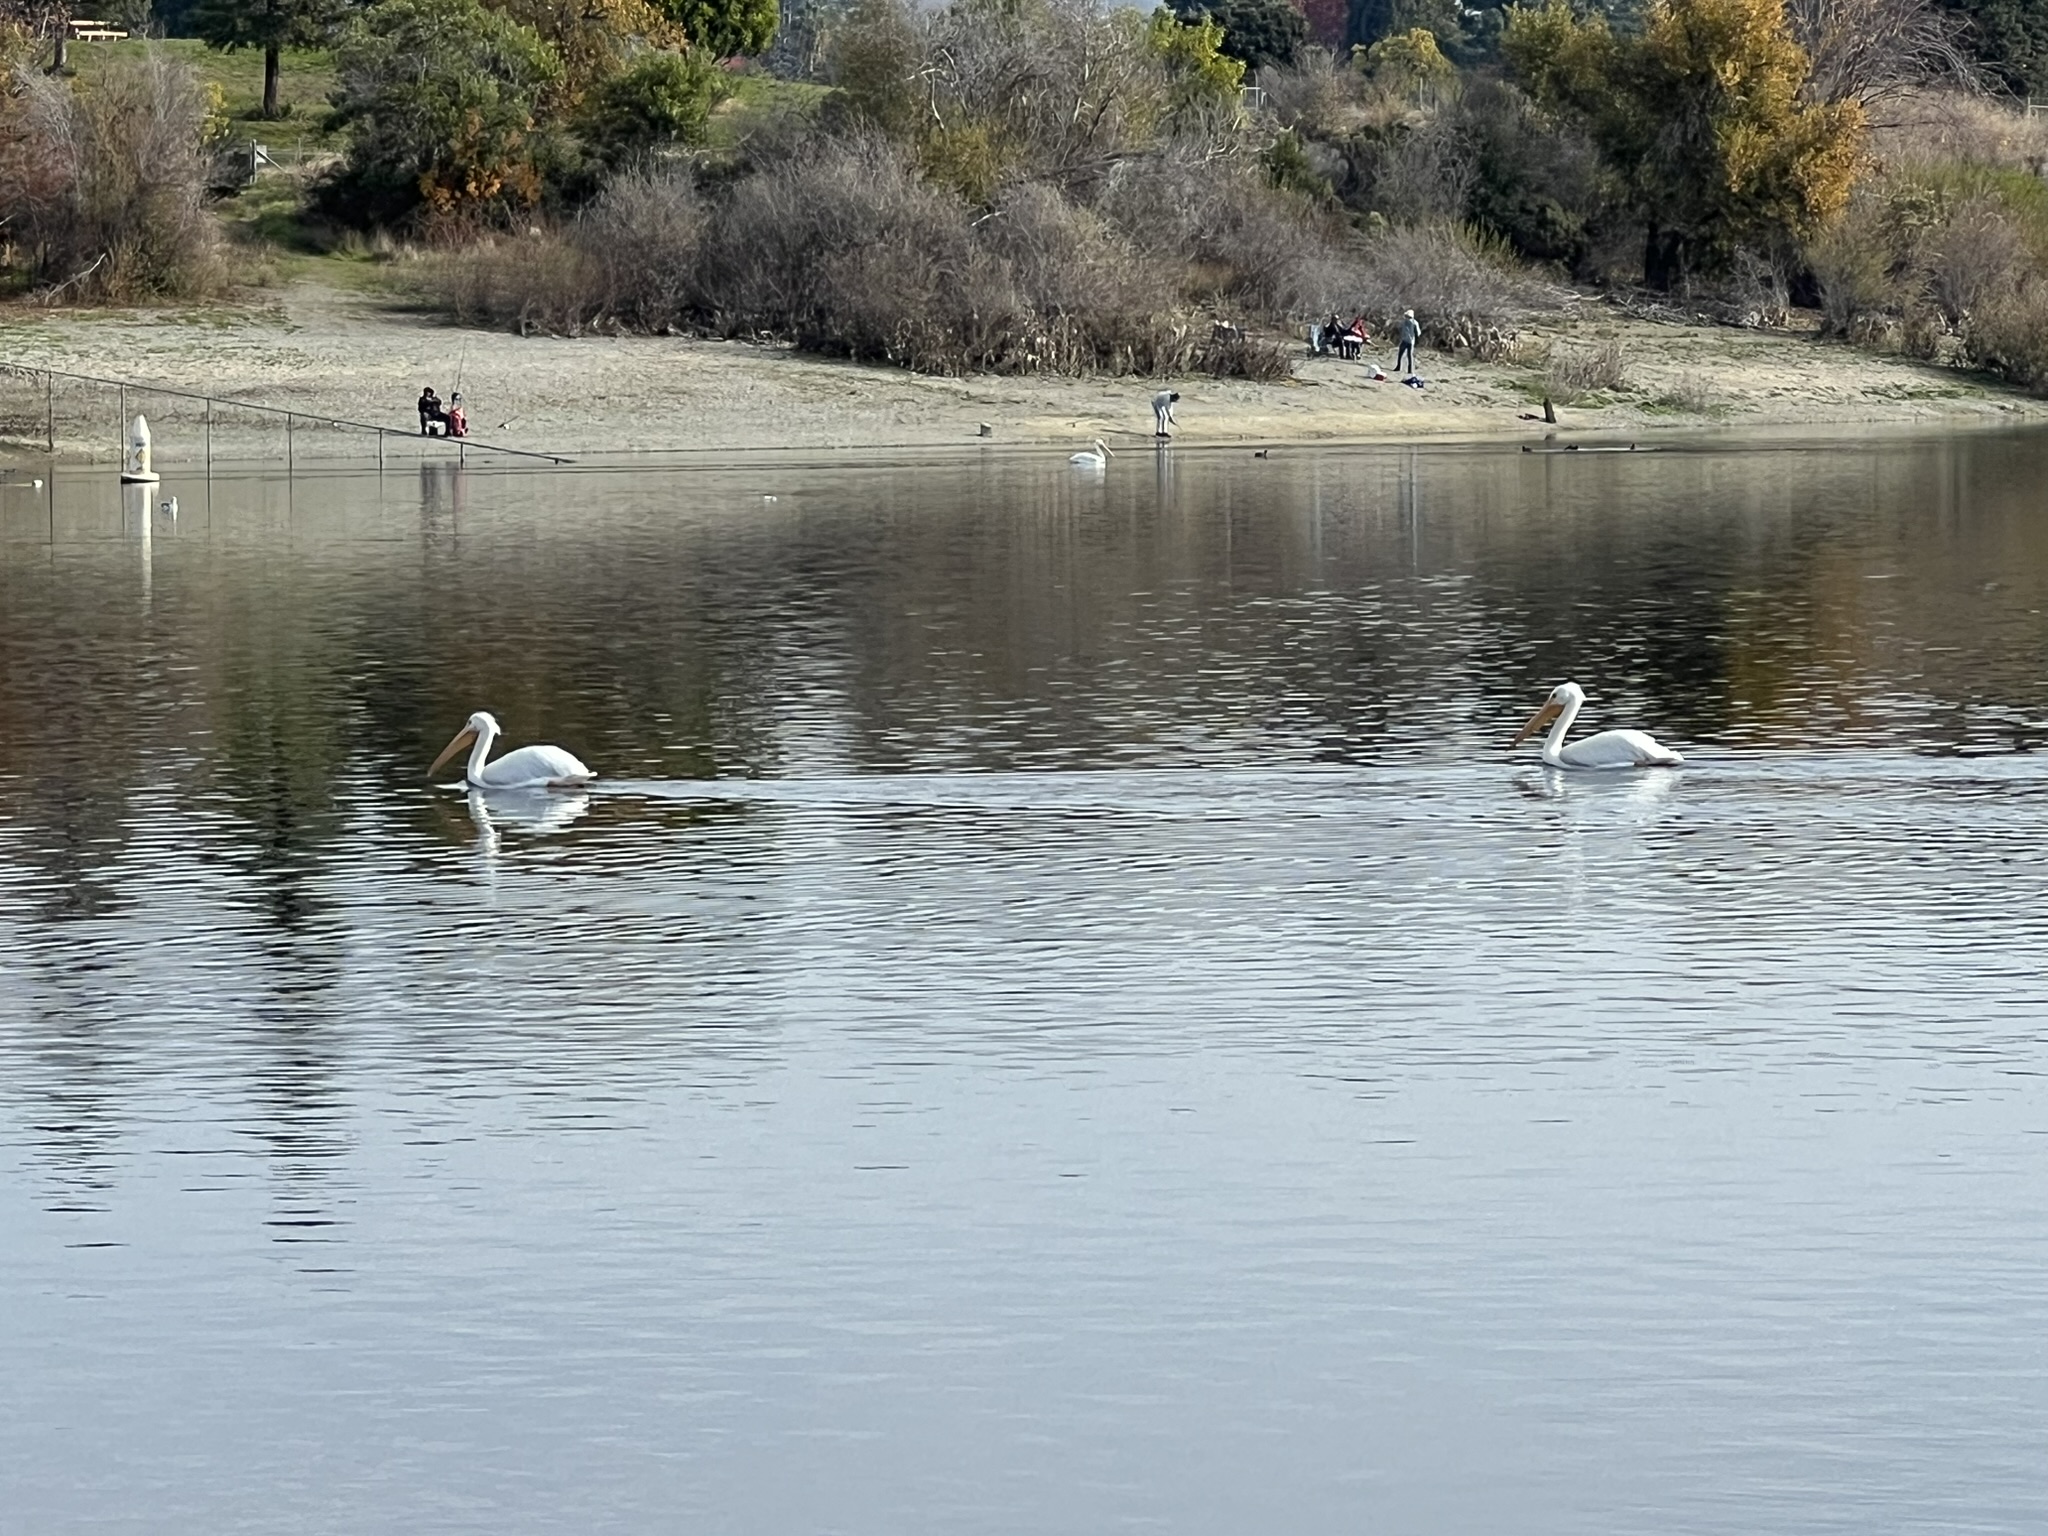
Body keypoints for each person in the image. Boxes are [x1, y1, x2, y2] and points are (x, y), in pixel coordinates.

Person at [1396, 309, 1421, 376]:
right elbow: (1418, 333)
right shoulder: (1409, 322)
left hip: (1409, 341)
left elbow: (1417, 333)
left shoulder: (1413, 323)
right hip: (1407, 340)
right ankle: (1404, 368)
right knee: (1405, 355)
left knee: (1406, 355)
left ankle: (1406, 369)